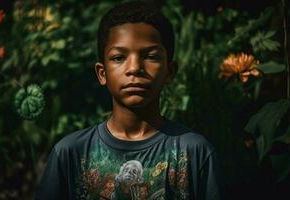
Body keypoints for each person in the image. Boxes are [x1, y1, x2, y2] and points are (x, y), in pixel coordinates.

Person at [35, 1, 222, 199]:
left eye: (150, 56)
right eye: (118, 58)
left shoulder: (194, 152)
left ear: (170, 71)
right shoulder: (70, 153)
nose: (134, 68)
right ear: (102, 73)